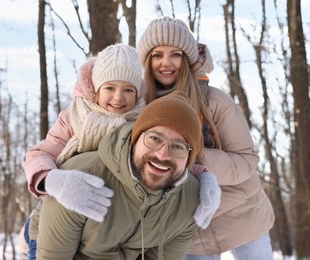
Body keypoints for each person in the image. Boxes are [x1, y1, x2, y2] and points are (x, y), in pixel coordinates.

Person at [136, 16, 275, 259]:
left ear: (187, 58)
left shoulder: (214, 102)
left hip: (242, 216)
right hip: (187, 228)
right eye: (157, 55)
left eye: (175, 54)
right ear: (147, 61)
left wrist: (189, 158)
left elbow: (247, 160)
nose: (166, 63)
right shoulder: (140, 108)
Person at [36, 91, 209, 259]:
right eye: (154, 139)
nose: (163, 155)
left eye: (178, 147)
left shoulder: (191, 201)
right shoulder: (79, 180)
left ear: (188, 158)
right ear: (135, 139)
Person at [22, 43, 144, 258]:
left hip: (101, 230)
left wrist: (202, 177)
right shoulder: (74, 117)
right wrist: (55, 181)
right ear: (96, 90)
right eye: (110, 88)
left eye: (128, 89)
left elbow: (165, 157)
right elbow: (39, 154)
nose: (118, 97)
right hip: (51, 222)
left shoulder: (143, 124)